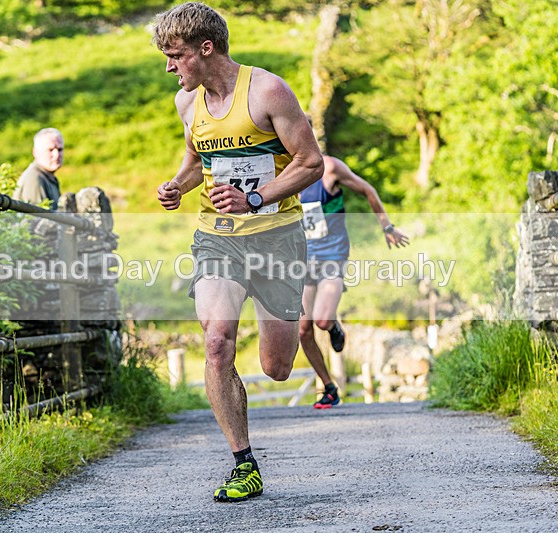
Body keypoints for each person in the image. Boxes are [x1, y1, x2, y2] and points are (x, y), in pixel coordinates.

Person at [152, 2, 323, 503]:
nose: (169, 66)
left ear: (206, 49)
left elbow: (310, 162)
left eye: (175, 55)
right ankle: (242, 463)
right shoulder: (188, 104)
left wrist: (254, 198)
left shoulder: (268, 91)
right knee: (217, 340)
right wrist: (178, 187)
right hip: (218, 237)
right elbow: (194, 162)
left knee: (276, 367)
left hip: (277, 238)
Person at [299, 147, 410, 409]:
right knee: (303, 329)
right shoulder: (282, 173)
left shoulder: (330, 169)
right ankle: (329, 388)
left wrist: (387, 225)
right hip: (301, 260)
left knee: (323, 321)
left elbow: (368, 190)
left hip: (332, 256)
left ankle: (334, 326)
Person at [12, 128, 64, 210]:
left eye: (60, 149)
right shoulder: (35, 178)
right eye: (50, 150)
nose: (56, 155)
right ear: (35, 152)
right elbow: (38, 220)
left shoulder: (48, 177)